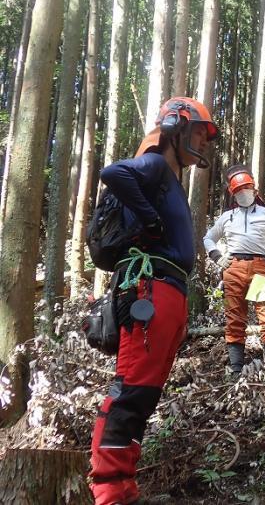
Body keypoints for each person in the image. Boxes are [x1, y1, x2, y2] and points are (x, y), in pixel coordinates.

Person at [88, 97, 219, 505]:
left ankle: (124, 485)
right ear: (175, 127)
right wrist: (147, 216)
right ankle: (108, 490)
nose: (203, 140)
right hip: (149, 287)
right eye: (199, 131)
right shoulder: (155, 165)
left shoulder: (169, 179)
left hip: (169, 289)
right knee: (131, 388)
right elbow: (113, 172)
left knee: (145, 392)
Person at [203, 166, 265, 378]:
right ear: (233, 194)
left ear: (254, 188)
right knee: (234, 317)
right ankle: (236, 368)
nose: (243, 192)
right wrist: (217, 257)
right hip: (234, 267)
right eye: (238, 190)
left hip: (262, 267)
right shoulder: (227, 217)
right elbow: (208, 238)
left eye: (246, 188)